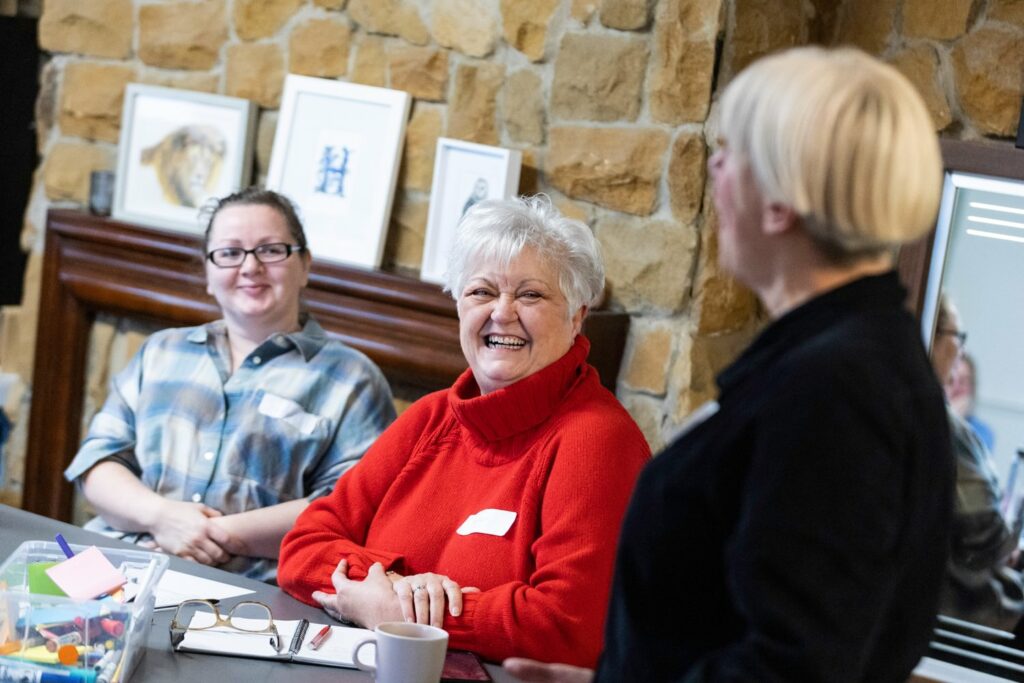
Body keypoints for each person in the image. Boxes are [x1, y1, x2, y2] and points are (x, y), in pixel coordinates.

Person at [505, 46, 953, 683]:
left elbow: (793, 666)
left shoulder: (836, 388)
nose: (712, 169)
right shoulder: (835, 357)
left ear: (780, 201)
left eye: (730, 152)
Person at [277, 196, 650, 667]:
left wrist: (403, 617)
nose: (502, 312)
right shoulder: (430, 418)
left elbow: (568, 626)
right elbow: (302, 547)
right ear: (458, 306)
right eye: (481, 292)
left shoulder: (597, 442)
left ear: (577, 316)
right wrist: (390, 586)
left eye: (531, 295)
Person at [64, 188, 396, 581]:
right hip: (121, 564)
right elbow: (98, 461)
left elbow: (350, 510)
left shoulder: (352, 379)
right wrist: (162, 518)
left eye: (271, 250)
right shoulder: (161, 352)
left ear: (304, 265)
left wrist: (203, 536)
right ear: (208, 272)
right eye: (230, 252)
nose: (250, 267)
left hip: (250, 596)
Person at [933, 296, 1024, 631]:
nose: (960, 350)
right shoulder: (938, 421)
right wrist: (1007, 546)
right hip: (970, 615)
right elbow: (984, 535)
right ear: (933, 332)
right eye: (958, 336)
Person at [947, 353, 996, 451]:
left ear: (972, 387)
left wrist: (955, 420)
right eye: (951, 380)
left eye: (963, 381)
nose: (957, 387)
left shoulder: (983, 432)